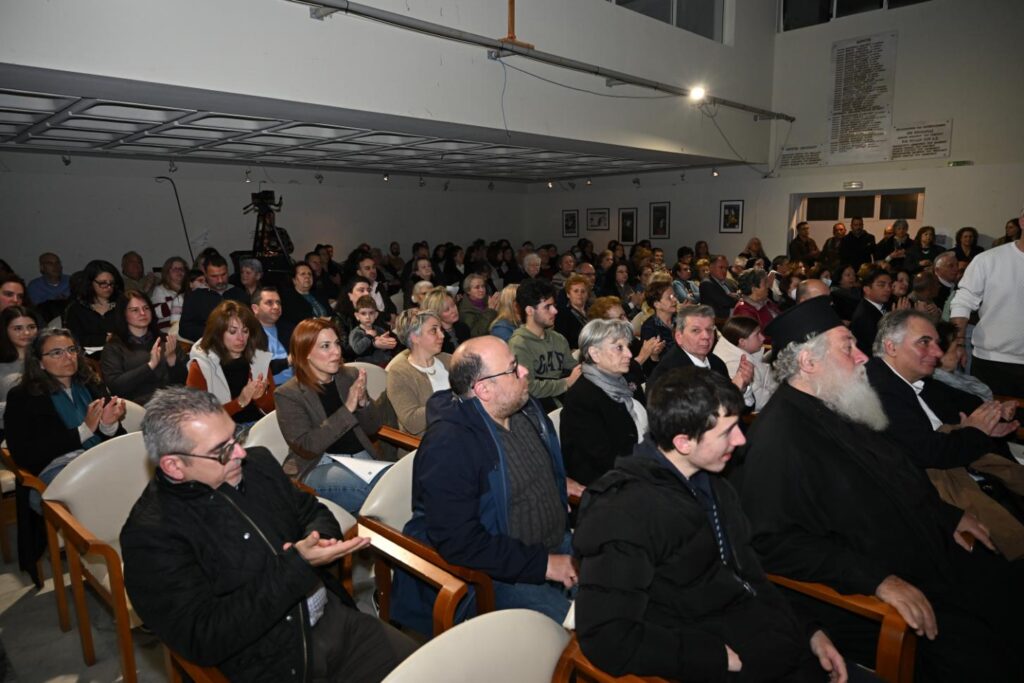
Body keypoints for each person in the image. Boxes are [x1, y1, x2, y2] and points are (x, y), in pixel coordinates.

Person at [734, 296, 1023, 681]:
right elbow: (775, 544)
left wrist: (948, 515)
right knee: (988, 658)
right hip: (876, 588)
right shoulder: (780, 438)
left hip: (930, 549)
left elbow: (897, 475)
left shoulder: (841, 401)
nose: (862, 358)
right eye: (848, 347)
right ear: (808, 362)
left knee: (1012, 592)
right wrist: (878, 581)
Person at [120, 387, 415, 683]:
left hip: (336, 622)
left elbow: (312, 511)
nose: (240, 453)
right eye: (222, 450)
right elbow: (202, 637)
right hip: (270, 663)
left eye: (236, 437)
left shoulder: (256, 464)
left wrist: (317, 540)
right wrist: (296, 566)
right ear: (174, 465)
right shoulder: (151, 536)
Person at [573, 367, 850, 682]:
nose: (741, 439)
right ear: (684, 442)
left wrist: (810, 631)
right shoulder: (621, 513)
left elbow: (749, 578)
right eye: (727, 432)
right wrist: (711, 657)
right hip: (723, 663)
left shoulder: (713, 483)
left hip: (779, 644)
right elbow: (607, 638)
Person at [392, 336, 575, 635]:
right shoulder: (449, 445)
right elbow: (460, 541)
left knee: (625, 586)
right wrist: (545, 564)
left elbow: (534, 472)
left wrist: (557, 489)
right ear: (484, 389)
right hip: (495, 574)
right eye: (513, 369)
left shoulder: (526, 410)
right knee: (578, 637)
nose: (524, 371)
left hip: (555, 542)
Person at [866, 309, 1024, 559]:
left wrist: (986, 427)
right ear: (891, 347)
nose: (938, 353)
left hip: (969, 474)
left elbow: (967, 413)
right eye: (924, 342)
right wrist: (976, 432)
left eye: (937, 344)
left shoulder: (915, 381)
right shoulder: (878, 390)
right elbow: (930, 452)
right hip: (932, 500)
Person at [275, 318, 388, 515]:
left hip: (359, 458)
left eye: (336, 344)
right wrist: (348, 408)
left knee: (404, 477)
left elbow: (373, 428)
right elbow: (307, 447)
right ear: (305, 352)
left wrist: (363, 403)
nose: (336, 352)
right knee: (384, 489)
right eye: (325, 346)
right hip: (318, 465)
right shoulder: (288, 394)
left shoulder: (349, 375)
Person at [5, 329, 126, 501]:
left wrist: (108, 425)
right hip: (58, 471)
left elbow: (118, 439)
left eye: (71, 350)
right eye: (57, 353)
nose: (68, 357)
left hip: (101, 459)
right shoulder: (23, 396)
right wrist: (84, 431)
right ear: (39, 362)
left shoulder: (91, 384)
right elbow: (24, 454)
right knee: (108, 491)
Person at [560, 319, 648, 486]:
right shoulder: (581, 399)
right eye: (619, 347)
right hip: (610, 485)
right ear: (595, 354)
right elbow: (602, 460)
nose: (629, 354)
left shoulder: (627, 381)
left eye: (627, 346)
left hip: (637, 468)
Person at [949, 216, 1024, 398]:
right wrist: (958, 343)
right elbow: (962, 302)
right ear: (1022, 222)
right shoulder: (989, 260)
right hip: (994, 362)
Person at [186, 300, 274, 424]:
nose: (241, 338)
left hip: (259, 426)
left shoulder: (259, 359)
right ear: (218, 333)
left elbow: (274, 410)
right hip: (222, 431)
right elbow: (198, 418)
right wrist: (239, 402)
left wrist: (261, 398)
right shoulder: (201, 366)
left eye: (245, 331)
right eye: (233, 332)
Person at [646, 305, 754, 400]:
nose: (706, 336)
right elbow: (688, 414)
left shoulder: (716, 363)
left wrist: (743, 387)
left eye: (709, 329)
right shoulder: (666, 375)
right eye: (696, 330)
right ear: (679, 337)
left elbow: (741, 410)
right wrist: (731, 393)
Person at [100, 290, 185, 405]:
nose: (142, 313)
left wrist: (173, 363)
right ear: (123, 314)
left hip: (170, 402)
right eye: (135, 310)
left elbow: (183, 382)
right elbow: (116, 387)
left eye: (146, 308)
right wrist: (150, 366)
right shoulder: (113, 347)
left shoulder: (166, 341)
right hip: (136, 406)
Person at [508, 278, 580, 411]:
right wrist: (566, 383)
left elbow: (573, 368)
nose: (555, 311)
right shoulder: (519, 344)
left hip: (563, 403)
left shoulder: (558, 339)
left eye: (554, 305)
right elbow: (528, 387)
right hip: (538, 408)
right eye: (547, 307)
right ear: (530, 311)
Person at [385, 309, 451, 436]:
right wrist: (452, 401)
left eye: (441, 330)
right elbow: (412, 422)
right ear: (415, 337)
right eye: (434, 330)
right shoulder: (399, 374)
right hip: (429, 441)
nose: (442, 335)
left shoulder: (449, 360)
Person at [178, 255, 249, 342]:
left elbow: (250, 323)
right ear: (205, 274)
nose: (220, 280)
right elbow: (184, 329)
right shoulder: (195, 297)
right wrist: (215, 333)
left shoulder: (239, 293)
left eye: (223, 274)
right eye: (214, 276)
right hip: (209, 345)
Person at [714, 315, 777, 411]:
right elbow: (760, 401)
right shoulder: (735, 364)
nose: (762, 338)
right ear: (742, 342)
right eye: (757, 334)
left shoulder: (744, 354)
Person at [0, 305, 40, 440]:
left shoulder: (47, 357)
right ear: (5, 331)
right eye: (18, 328)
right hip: (10, 431)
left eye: (31, 327)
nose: (27, 333)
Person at [64, 259, 122, 348]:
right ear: (90, 283)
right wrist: (105, 339)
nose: (108, 287)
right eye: (103, 283)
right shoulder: (76, 309)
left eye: (111, 283)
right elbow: (73, 339)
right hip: (87, 354)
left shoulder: (122, 304)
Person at [251, 286, 294, 386]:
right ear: (255, 309)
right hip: (271, 388)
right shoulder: (249, 333)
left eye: (278, 303)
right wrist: (288, 361)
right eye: (269, 303)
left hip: (297, 382)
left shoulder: (288, 328)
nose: (276, 307)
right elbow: (261, 369)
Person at [849, 266, 893, 355]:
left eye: (889, 285)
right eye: (882, 285)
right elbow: (879, 348)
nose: (888, 289)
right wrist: (897, 320)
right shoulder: (863, 316)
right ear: (867, 289)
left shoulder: (887, 305)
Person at [732, 268, 781, 341]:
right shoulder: (743, 310)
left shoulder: (765, 301)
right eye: (765, 283)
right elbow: (754, 340)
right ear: (754, 289)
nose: (768, 285)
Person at [348, 295, 396, 367]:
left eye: (371, 313)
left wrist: (386, 346)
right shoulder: (355, 332)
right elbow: (357, 350)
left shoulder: (380, 330)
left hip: (384, 364)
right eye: (363, 313)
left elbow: (390, 348)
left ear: (376, 315)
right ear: (357, 316)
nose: (368, 317)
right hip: (366, 367)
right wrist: (369, 336)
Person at [419, 286, 470, 355]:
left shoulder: (463, 327)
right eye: (447, 309)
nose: (453, 310)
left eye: (453, 305)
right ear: (436, 314)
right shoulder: (435, 338)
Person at [280, 262, 331, 328]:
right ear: (294, 280)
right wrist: (320, 321)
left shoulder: (320, 295)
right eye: (303, 274)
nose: (307, 276)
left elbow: (331, 314)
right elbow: (297, 318)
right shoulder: (287, 298)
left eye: (310, 274)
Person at [149, 256, 188, 334]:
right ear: (167, 272)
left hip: (188, 327)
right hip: (168, 330)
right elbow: (156, 313)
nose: (179, 271)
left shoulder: (190, 287)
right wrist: (179, 300)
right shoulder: (160, 289)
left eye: (181, 269)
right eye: (175, 269)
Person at [457, 273, 499, 338]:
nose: (482, 290)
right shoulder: (465, 311)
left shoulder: (488, 299)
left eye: (483, 286)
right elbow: (476, 333)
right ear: (468, 291)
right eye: (477, 287)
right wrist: (490, 310)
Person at [554, 274, 590, 351]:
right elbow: (561, 341)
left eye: (583, 291)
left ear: (587, 294)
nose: (579, 294)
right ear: (568, 294)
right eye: (576, 291)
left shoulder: (593, 311)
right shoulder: (561, 314)